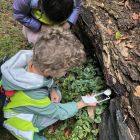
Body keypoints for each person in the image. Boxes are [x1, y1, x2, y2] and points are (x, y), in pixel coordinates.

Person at [1, 27, 96, 140]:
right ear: (48, 72)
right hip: (15, 118)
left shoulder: (34, 59)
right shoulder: (35, 95)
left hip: (16, 101)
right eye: (65, 70)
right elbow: (57, 113)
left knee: (57, 96)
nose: (66, 72)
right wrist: (82, 103)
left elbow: (45, 81)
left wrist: (53, 89)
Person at [13, 0, 82, 44]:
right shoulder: (23, 1)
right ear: (41, 6)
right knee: (36, 40)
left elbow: (77, 7)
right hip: (36, 21)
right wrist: (40, 27)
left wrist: (68, 23)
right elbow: (20, 15)